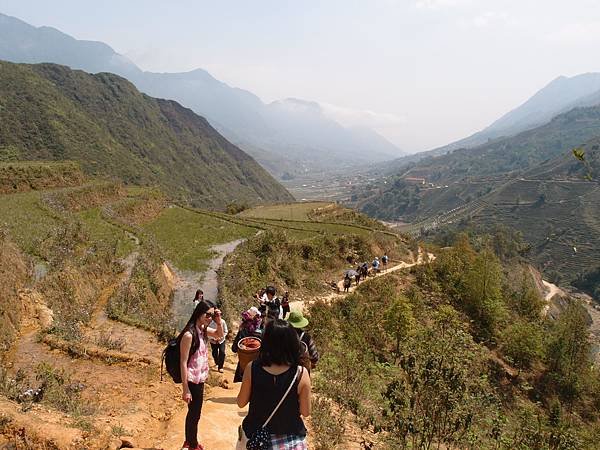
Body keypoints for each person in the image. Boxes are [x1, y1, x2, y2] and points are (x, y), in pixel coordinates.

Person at [236, 319, 311, 450]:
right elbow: (305, 412)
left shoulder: (252, 368)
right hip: (290, 442)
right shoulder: (301, 373)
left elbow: (241, 402)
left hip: (256, 438)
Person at [178, 300, 224, 450]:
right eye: (208, 314)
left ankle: (190, 441)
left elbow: (219, 336)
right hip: (192, 380)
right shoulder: (189, 335)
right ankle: (192, 444)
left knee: (195, 413)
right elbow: (183, 362)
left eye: (212, 315)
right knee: (194, 414)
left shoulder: (202, 330)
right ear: (199, 313)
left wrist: (218, 322)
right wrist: (185, 389)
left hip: (200, 379)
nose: (209, 317)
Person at [232, 307, 262, 382]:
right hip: (258, 368)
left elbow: (234, 349)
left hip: (243, 367)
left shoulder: (242, 332)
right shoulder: (261, 333)